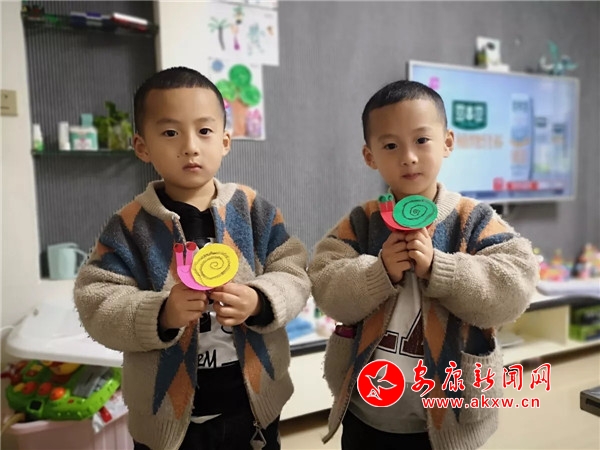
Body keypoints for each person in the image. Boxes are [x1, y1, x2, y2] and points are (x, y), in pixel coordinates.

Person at [74, 67, 311, 450]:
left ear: (225, 141)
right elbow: (96, 301)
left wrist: (260, 299)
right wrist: (161, 313)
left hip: (254, 410)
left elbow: (293, 268)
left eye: (204, 130)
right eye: (170, 133)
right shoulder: (129, 226)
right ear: (142, 147)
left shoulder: (253, 210)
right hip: (166, 421)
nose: (190, 146)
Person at [308, 80, 539, 450]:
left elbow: (516, 285)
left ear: (447, 142)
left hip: (450, 416)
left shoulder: (473, 219)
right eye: (390, 145)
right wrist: (378, 273)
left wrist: (441, 269)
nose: (409, 157)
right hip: (365, 411)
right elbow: (324, 283)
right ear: (369, 156)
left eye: (421, 140)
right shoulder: (363, 221)